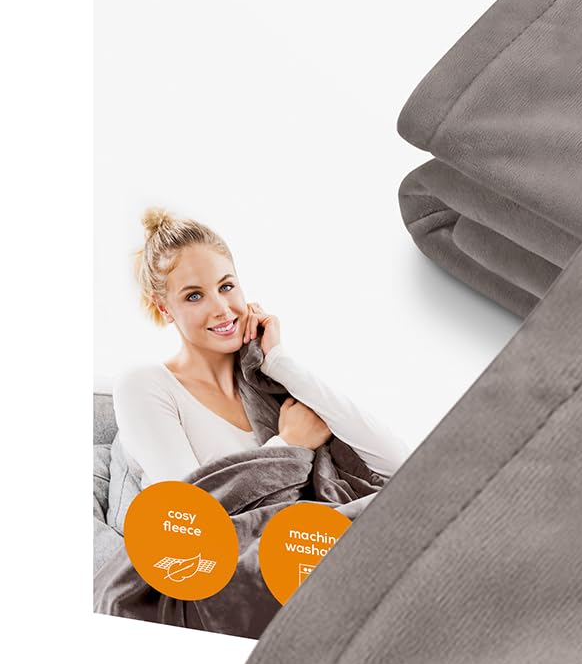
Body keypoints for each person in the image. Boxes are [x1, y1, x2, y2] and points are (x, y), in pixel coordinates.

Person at [110, 209, 408, 502]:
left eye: (226, 287)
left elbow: (398, 467)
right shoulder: (145, 385)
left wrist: (279, 362)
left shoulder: (267, 384)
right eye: (194, 296)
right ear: (163, 307)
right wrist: (290, 444)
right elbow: (188, 514)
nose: (222, 309)